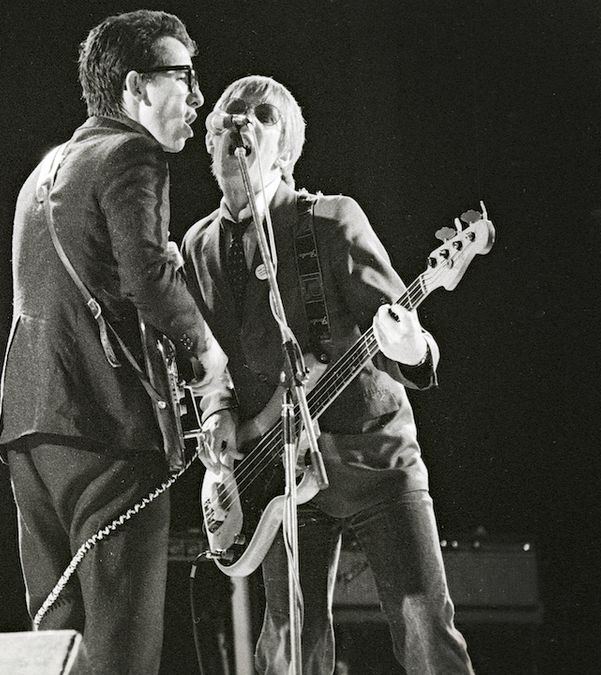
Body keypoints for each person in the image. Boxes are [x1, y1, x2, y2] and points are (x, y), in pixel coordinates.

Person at [180, 75, 475, 673]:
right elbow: (205, 361)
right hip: (280, 473)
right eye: (229, 114)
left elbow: (406, 341)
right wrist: (217, 415)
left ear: (284, 152)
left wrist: (411, 343)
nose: (241, 121)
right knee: (289, 648)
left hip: (375, 458)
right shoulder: (198, 246)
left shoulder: (332, 220)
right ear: (210, 143)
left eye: (262, 115)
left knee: (425, 633)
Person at [0, 10, 229, 674]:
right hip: (105, 426)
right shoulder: (132, 153)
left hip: (33, 430)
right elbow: (150, 280)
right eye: (182, 75)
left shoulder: (46, 168)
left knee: (59, 647)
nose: (197, 95)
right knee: (122, 652)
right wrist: (210, 361)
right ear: (134, 87)